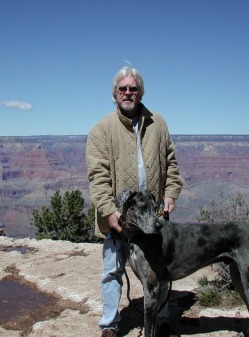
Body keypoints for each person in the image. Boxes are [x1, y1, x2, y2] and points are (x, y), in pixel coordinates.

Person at [86, 66, 184, 337]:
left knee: (161, 269)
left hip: (153, 216)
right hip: (120, 218)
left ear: (140, 92)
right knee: (113, 269)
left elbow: (171, 164)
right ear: (115, 94)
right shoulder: (102, 129)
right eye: (123, 89)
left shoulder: (158, 123)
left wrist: (171, 193)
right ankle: (110, 324)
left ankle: (161, 319)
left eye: (133, 88)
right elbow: (98, 176)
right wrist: (109, 211)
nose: (128, 93)